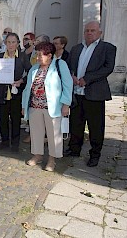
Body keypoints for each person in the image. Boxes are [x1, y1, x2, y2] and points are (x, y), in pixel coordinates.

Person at [65, 21, 117, 167]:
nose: (89, 33)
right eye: (87, 30)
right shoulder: (76, 48)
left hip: (95, 93)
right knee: (76, 123)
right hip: (76, 93)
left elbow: (107, 68)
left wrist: (87, 80)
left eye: (92, 30)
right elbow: (68, 66)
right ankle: (74, 149)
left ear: (100, 33)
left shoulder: (107, 48)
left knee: (95, 127)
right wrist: (72, 76)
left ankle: (95, 154)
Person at [22, 42, 73, 171]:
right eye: (37, 55)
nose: (38, 58)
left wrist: (66, 104)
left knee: (53, 134)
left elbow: (68, 85)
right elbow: (27, 89)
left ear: (49, 55)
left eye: (40, 55)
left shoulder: (60, 65)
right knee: (36, 132)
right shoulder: (34, 68)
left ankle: (52, 159)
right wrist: (24, 105)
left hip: (53, 106)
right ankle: (37, 155)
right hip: (35, 106)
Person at [0, 33, 31, 152]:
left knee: (15, 119)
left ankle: (15, 144)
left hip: (16, 92)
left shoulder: (22, 56)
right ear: (5, 43)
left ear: (17, 43)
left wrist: (21, 80)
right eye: (8, 42)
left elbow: (30, 72)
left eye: (13, 42)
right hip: (3, 92)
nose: (11, 45)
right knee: (3, 118)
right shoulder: (1, 56)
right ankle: (4, 141)